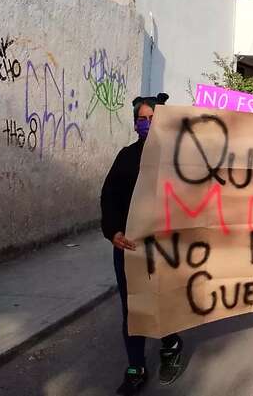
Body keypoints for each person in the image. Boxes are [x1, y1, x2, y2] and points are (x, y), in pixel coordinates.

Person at [101, 94, 185, 395]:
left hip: (164, 248)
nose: (147, 124)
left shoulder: (177, 158)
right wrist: (112, 232)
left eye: (153, 119)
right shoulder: (125, 157)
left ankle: (171, 344)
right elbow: (109, 197)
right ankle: (135, 367)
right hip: (129, 247)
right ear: (135, 123)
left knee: (161, 300)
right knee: (134, 306)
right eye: (142, 119)